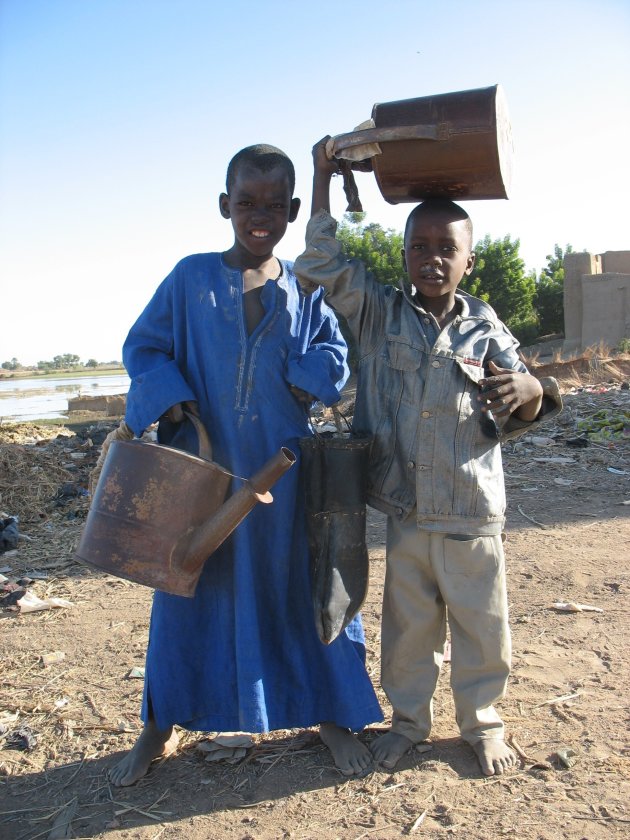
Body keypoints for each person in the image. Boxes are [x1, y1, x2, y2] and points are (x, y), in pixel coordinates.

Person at [108, 144, 383, 786]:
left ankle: (330, 713)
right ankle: (159, 723)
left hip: (280, 480)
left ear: (290, 210)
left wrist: (303, 378)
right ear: (224, 205)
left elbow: (333, 355)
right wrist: (170, 392)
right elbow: (144, 347)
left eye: (272, 205)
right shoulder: (188, 279)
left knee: (302, 586)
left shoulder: (304, 291)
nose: (258, 215)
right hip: (200, 479)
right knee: (186, 589)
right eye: (246, 202)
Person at [293, 139, 562, 777]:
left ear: (469, 260)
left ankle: (483, 724)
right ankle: (410, 722)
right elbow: (320, 264)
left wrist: (531, 390)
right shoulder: (376, 314)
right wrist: (323, 180)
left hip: (472, 510)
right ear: (405, 252)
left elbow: (524, 398)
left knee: (481, 627)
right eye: (420, 247)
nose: (432, 260)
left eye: (448, 249)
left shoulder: (486, 326)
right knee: (408, 631)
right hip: (406, 510)